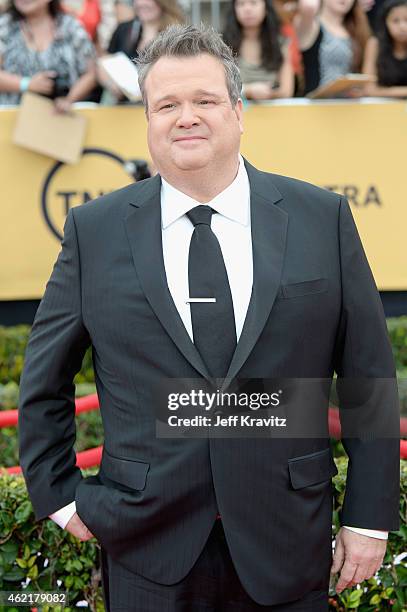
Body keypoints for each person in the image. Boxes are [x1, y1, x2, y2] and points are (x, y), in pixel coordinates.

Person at [18, 23, 400, 612]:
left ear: (239, 112)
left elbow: (366, 378)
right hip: (145, 545)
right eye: (166, 104)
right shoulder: (93, 232)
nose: (186, 117)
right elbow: (43, 382)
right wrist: (61, 498)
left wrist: (371, 518)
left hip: (289, 540)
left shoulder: (320, 218)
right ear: (147, 120)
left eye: (205, 101)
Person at [0, 0, 97, 110]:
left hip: (61, 117)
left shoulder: (70, 26)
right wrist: (27, 84)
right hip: (12, 116)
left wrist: (69, 100)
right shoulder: (5, 27)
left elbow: (92, 73)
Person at [97, 0, 183, 103]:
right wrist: (111, 84)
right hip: (121, 106)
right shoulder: (124, 29)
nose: (142, 3)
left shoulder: (176, 35)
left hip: (159, 104)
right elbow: (104, 63)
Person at [294, 0, 371, 95]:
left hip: (347, 104)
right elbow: (308, 6)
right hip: (316, 103)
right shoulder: (312, 25)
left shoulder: (357, 29)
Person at [223, 0, 294, 99]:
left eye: (253, 3)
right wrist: (248, 91)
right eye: (241, 4)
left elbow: (286, 91)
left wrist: (268, 94)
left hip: (271, 110)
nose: (247, 9)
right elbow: (217, 87)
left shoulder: (280, 44)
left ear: (266, 8)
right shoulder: (223, 45)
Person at [362, 0, 407, 97]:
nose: (402, 27)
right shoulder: (375, 44)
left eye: (406, 20)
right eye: (395, 21)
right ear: (385, 23)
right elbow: (368, 89)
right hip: (382, 106)